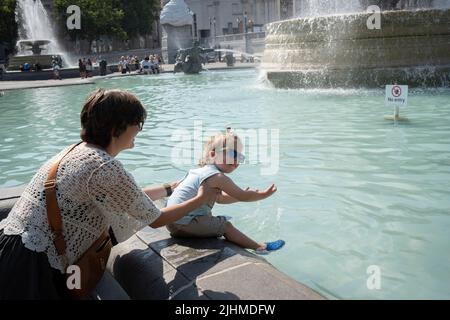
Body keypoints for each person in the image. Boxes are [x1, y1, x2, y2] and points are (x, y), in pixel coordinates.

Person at [0, 89, 218, 299]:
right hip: (33, 266)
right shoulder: (102, 166)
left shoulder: (78, 151)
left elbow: (130, 198)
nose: (139, 130)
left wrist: (170, 187)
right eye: (137, 123)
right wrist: (200, 199)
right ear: (117, 127)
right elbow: (156, 219)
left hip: (17, 249)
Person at [166, 130, 285, 253]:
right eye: (232, 154)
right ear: (213, 155)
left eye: (239, 157)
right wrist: (263, 195)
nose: (236, 160)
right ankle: (260, 247)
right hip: (185, 224)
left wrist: (237, 196)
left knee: (213, 219)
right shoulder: (217, 177)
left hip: (171, 222)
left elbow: (220, 199)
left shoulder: (199, 172)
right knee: (226, 226)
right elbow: (244, 196)